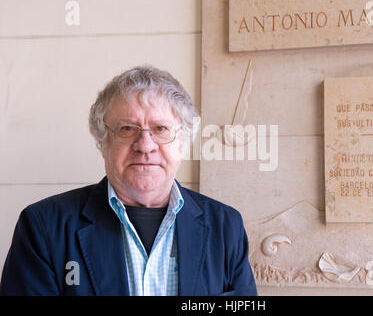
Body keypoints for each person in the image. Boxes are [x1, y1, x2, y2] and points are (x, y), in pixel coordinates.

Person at [0, 66, 257, 296]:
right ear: (103, 142)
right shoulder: (43, 227)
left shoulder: (226, 227)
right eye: (127, 129)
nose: (145, 146)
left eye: (161, 129)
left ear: (184, 142)